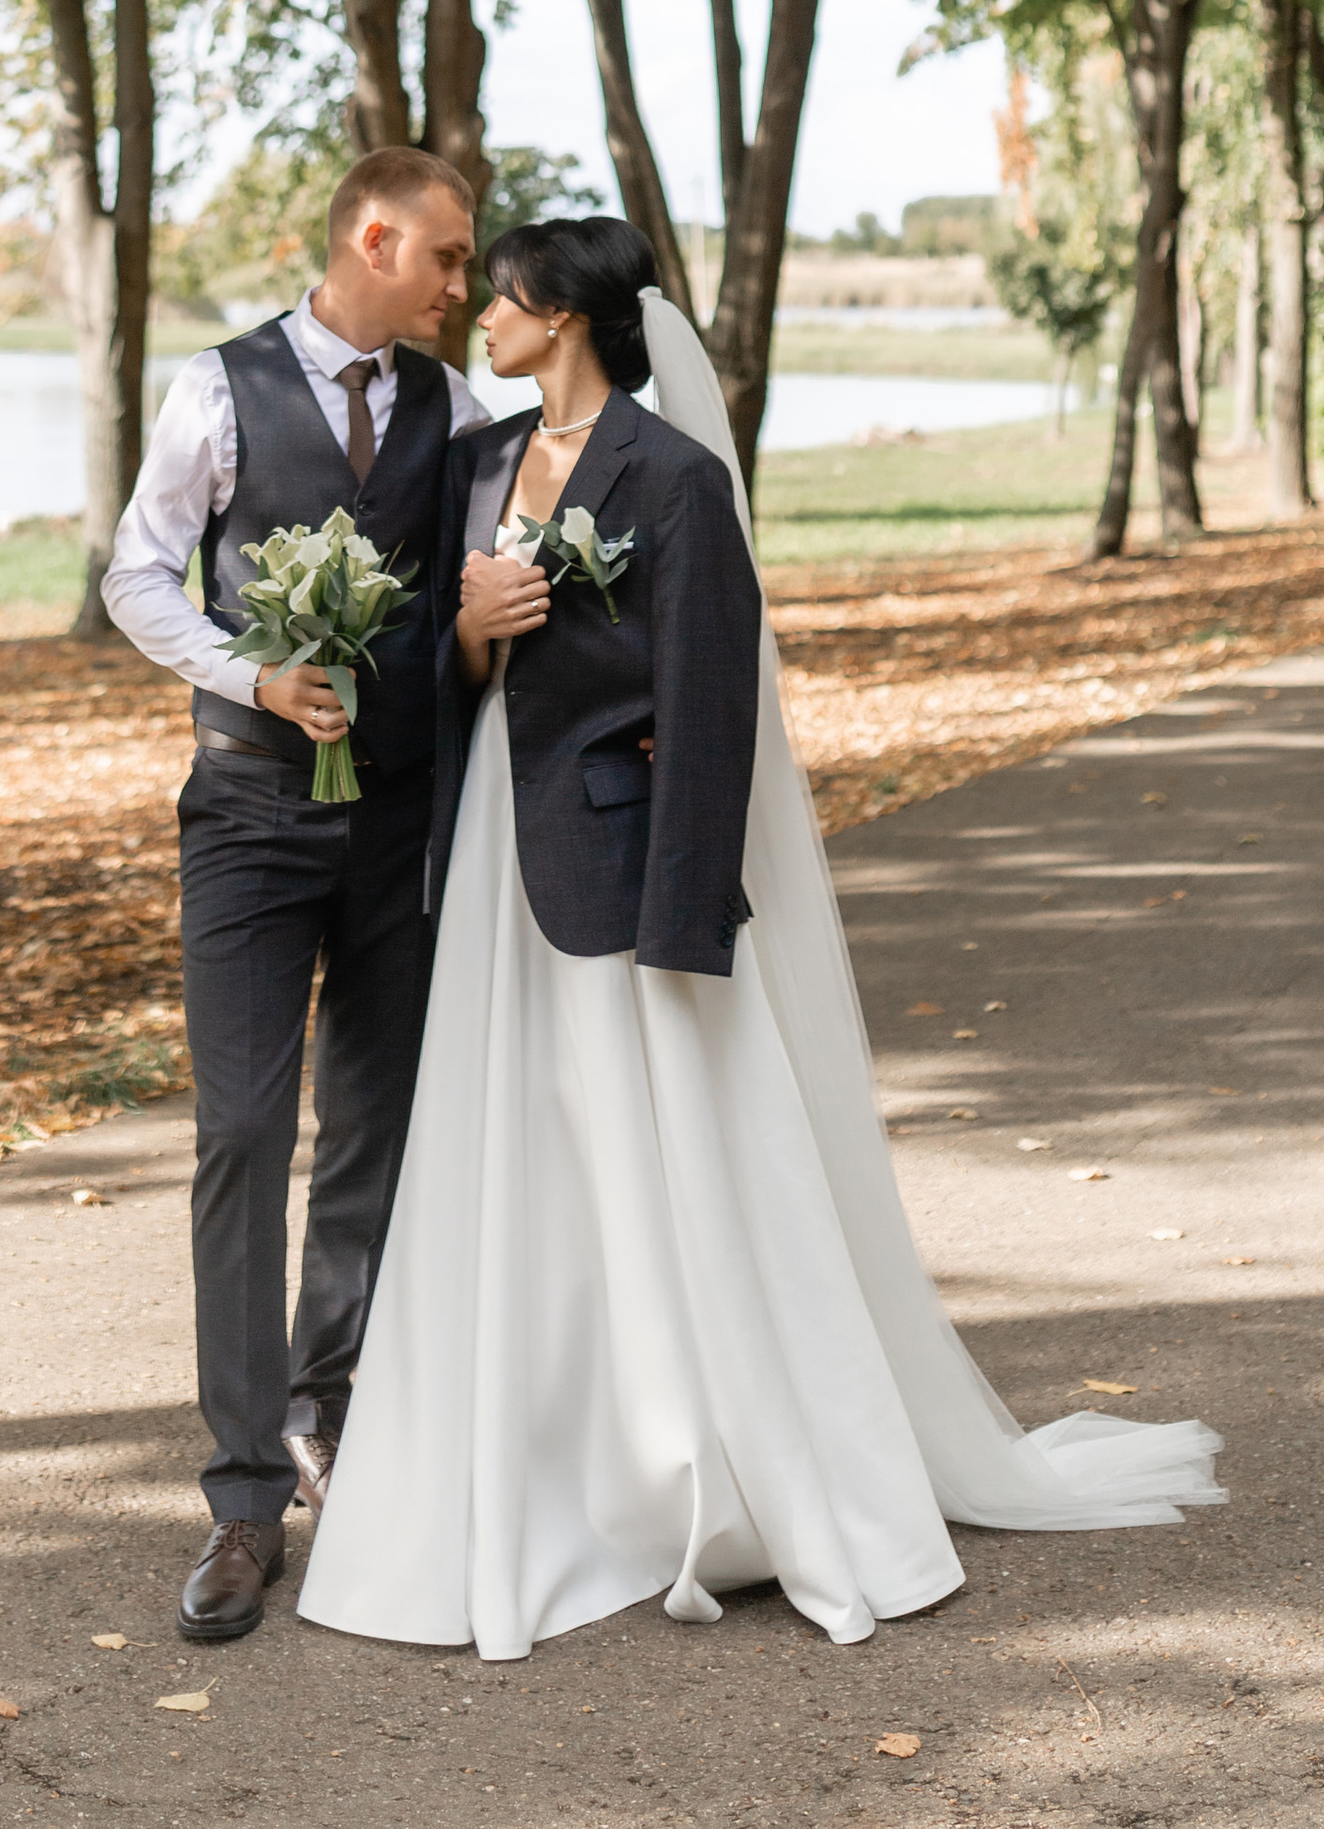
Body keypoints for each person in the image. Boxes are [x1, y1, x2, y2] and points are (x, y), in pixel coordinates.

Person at [300, 214, 1223, 1662]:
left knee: (661, 1164)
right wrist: (474, 628)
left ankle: (719, 1472)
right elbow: (446, 668)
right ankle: (527, 1464)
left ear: (565, 314)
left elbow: (712, 711)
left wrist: (685, 914)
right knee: (508, 1153)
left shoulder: (673, 478)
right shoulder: (480, 462)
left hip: (618, 871)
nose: (483, 313)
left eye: (505, 294)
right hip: (491, 867)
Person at [101, 144, 496, 1644]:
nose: (461, 283)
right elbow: (138, 575)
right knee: (244, 1134)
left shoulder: (458, 410)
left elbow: (478, 590)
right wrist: (250, 673)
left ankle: (326, 1411)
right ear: (373, 240)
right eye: (446, 256)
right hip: (252, 819)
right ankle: (241, 1497)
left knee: (371, 1134)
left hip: (399, 825)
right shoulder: (219, 390)